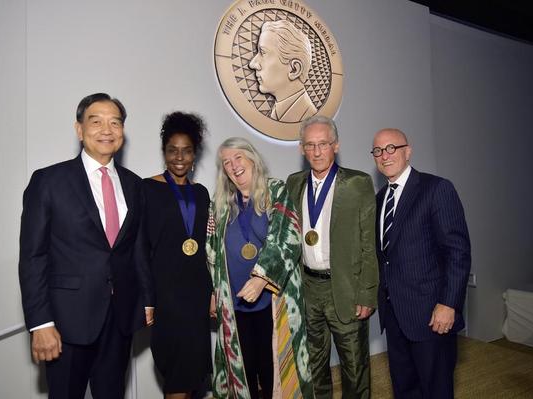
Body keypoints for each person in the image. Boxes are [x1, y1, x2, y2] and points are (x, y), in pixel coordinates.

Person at [18, 93, 154, 398]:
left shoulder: (134, 184)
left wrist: (146, 299)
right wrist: (40, 322)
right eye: (96, 122)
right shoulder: (49, 181)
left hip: (119, 321)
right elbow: (33, 257)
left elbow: (136, 248)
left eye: (115, 122)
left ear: (122, 131)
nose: (107, 129)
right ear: (80, 130)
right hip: (66, 323)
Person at [207, 137, 313, 399]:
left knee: (272, 368)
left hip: (273, 302)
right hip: (235, 304)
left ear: (252, 158)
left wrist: (261, 278)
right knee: (245, 369)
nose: (233, 166)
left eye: (238, 158)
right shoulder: (219, 203)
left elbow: (286, 236)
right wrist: (213, 291)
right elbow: (211, 252)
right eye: (226, 162)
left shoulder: (275, 190)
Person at [372, 128, 471, 399]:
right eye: (378, 151)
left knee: (436, 389)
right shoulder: (379, 200)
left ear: (408, 150)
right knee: (404, 389)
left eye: (391, 148)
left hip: (432, 315)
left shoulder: (436, 188)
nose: (385, 155)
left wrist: (449, 304)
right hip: (394, 316)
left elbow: (457, 252)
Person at [286, 115, 378, 399]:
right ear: (302, 149)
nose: (316, 151)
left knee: (354, 366)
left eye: (323, 144)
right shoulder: (293, 183)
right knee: (314, 365)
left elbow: (368, 244)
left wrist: (367, 293)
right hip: (308, 289)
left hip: (346, 289)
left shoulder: (357, 183)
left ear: (335, 146)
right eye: (310, 145)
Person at [137, 112, 212, 398]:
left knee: (194, 372)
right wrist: (147, 299)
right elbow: (140, 248)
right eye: (172, 150)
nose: (179, 157)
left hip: (197, 295)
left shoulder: (202, 194)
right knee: (176, 374)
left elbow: (208, 247)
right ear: (164, 152)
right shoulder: (147, 189)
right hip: (166, 295)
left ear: (195, 154)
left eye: (186, 151)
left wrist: (214, 291)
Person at [249, 20, 317, 122]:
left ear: (294, 69)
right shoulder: (277, 112)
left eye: (263, 52)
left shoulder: (308, 116)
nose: (253, 64)